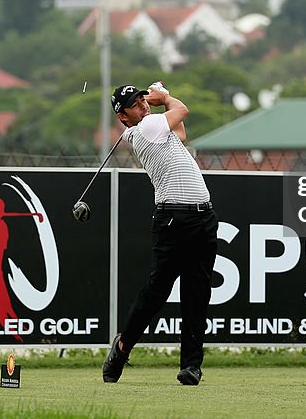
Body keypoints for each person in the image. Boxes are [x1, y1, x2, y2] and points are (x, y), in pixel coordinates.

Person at [102, 83, 218, 386]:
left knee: (197, 292)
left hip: (203, 217)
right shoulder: (145, 128)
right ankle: (123, 346)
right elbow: (182, 110)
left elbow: (180, 132)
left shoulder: (155, 127)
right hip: (173, 219)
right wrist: (164, 96)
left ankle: (191, 366)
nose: (141, 103)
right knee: (157, 292)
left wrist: (162, 103)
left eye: (142, 98)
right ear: (123, 117)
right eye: (134, 103)